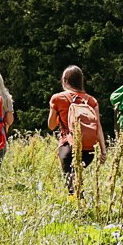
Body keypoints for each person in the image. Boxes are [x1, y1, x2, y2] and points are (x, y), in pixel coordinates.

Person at [48, 65, 102, 194]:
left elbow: (51, 125)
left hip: (68, 146)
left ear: (65, 80)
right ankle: (80, 207)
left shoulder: (57, 98)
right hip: (89, 149)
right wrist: (103, 151)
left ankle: (79, 210)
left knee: (71, 184)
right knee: (77, 179)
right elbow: (98, 126)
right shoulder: (91, 100)